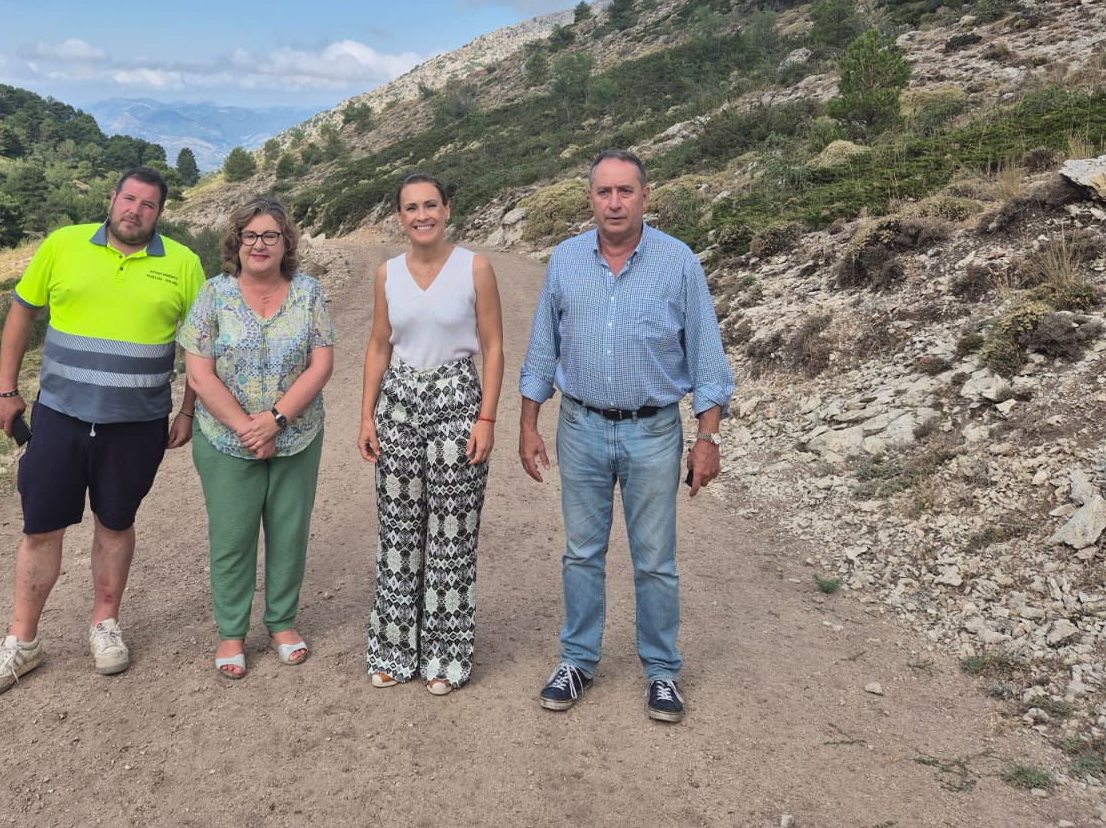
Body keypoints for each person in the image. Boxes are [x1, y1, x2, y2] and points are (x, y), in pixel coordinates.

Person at [0, 167, 205, 699]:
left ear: (160, 214)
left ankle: (105, 624)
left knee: (115, 523)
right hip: (59, 415)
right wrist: (6, 390)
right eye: (129, 199)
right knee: (40, 528)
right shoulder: (63, 244)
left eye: (148, 205)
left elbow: (200, 347)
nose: (135, 211)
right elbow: (22, 313)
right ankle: (22, 642)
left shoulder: (184, 264)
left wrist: (187, 410)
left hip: (138, 423)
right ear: (112, 198)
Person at [517, 149, 733, 724]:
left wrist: (707, 439)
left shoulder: (679, 262)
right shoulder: (564, 261)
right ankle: (578, 660)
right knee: (581, 554)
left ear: (645, 195)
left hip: (654, 431)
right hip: (580, 427)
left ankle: (662, 672)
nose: (614, 202)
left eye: (625, 191)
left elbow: (708, 360)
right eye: (603, 192)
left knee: (655, 561)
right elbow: (543, 349)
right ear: (589, 198)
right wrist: (527, 424)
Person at [358, 174, 504, 695]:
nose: (421, 215)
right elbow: (379, 344)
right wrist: (366, 415)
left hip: (456, 400)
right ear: (399, 216)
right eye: (410, 207)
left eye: (430, 205)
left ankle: (446, 657)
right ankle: (394, 651)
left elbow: (492, 345)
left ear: (446, 209)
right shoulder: (387, 274)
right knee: (397, 532)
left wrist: (486, 418)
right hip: (397, 401)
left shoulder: (475, 268)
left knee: (452, 533)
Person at [179, 196, 335, 679]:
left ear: (286, 242)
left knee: (289, 534)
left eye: (271, 235)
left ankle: (282, 622)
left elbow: (322, 363)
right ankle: (231, 632)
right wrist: (249, 428)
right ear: (236, 242)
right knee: (232, 537)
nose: (260, 244)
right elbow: (199, 373)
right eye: (250, 235)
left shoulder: (308, 293)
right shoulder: (213, 295)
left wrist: (277, 420)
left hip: (297, 436)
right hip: (226, 440)